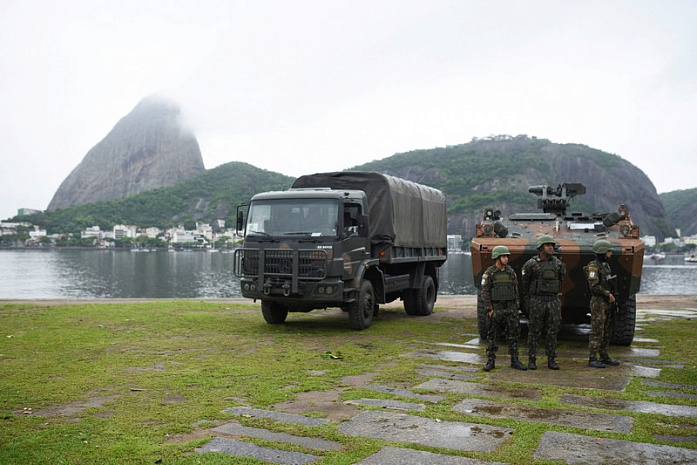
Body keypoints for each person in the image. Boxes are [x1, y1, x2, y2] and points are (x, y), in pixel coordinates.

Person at [521, 235, 566, 370]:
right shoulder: (531, 264)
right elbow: (525, 283)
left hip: (553, 300)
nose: (551, 247)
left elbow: (561, 281)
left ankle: (551, 359)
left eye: (552, 245)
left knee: (553, 330)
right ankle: (532, 359)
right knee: (534, 330)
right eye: (547, 245)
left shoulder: (558, 264)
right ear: (541, 248)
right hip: (537, 300)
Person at [481, 245, 527, 372]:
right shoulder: (489, 273)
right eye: (504, 256)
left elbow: (515, 290)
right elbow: (485, 293)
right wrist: (490, 309)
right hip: (496, 308)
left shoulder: (510, 272)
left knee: (513, 335)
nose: (506, 259)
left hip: (510, 308)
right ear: (497, 258)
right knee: (493, 336)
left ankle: (515, 360)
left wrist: (516, 307)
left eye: (507, 256)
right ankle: (491, 361)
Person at [586, 239, 621, 368]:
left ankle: (604, 354)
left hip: (607, 302)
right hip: (598, 302)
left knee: (607, 329)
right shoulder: (593, 267)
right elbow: (593, 286)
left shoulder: (606, 266)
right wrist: (607, 294)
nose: (610, 253)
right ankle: (593, 357)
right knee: (598, 330)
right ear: (602, 252)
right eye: (608, 251)